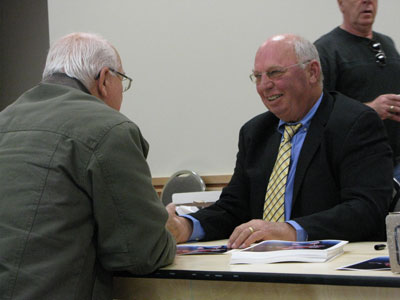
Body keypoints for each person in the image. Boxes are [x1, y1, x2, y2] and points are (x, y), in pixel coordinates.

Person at [167, 34, 393, 250]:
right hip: (259, 265)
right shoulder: (254, 133)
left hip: (331, 268)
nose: (264, 85)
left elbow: (366, 209)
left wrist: (292, 231)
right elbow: (233, 208)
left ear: (312, 72)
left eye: (275, 73)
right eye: (257, 76)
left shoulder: (355, 122)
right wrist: (185, 226)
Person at [0, 32, 175, 300]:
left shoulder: (5, 119)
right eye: (122, 81)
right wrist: (171, 229)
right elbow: (142, 253)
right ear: (105, 79)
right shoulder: (109, 129)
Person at [314, 0, 400, 180]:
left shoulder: (388, 44)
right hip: (359, 167)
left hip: (395, 162)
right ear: (341, 3)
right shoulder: (326, 50)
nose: (367, 2)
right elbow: (317, 115)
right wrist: (369, 110)